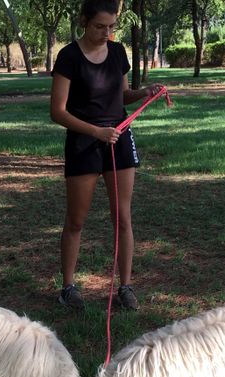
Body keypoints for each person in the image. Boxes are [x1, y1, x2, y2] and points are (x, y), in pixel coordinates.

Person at [50, 0, 162, 311]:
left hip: (120, 138)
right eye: (100, 26)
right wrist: (95, 132)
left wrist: (143, 92)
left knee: (123, 218)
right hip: (85, 142)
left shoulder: (117, 52)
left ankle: (125, 287)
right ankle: (68, 288)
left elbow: (122, 95)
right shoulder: (69, 56)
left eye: (111, 26)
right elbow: (57, 112)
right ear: (84, 21)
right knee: (76, 220)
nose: (106, 32)